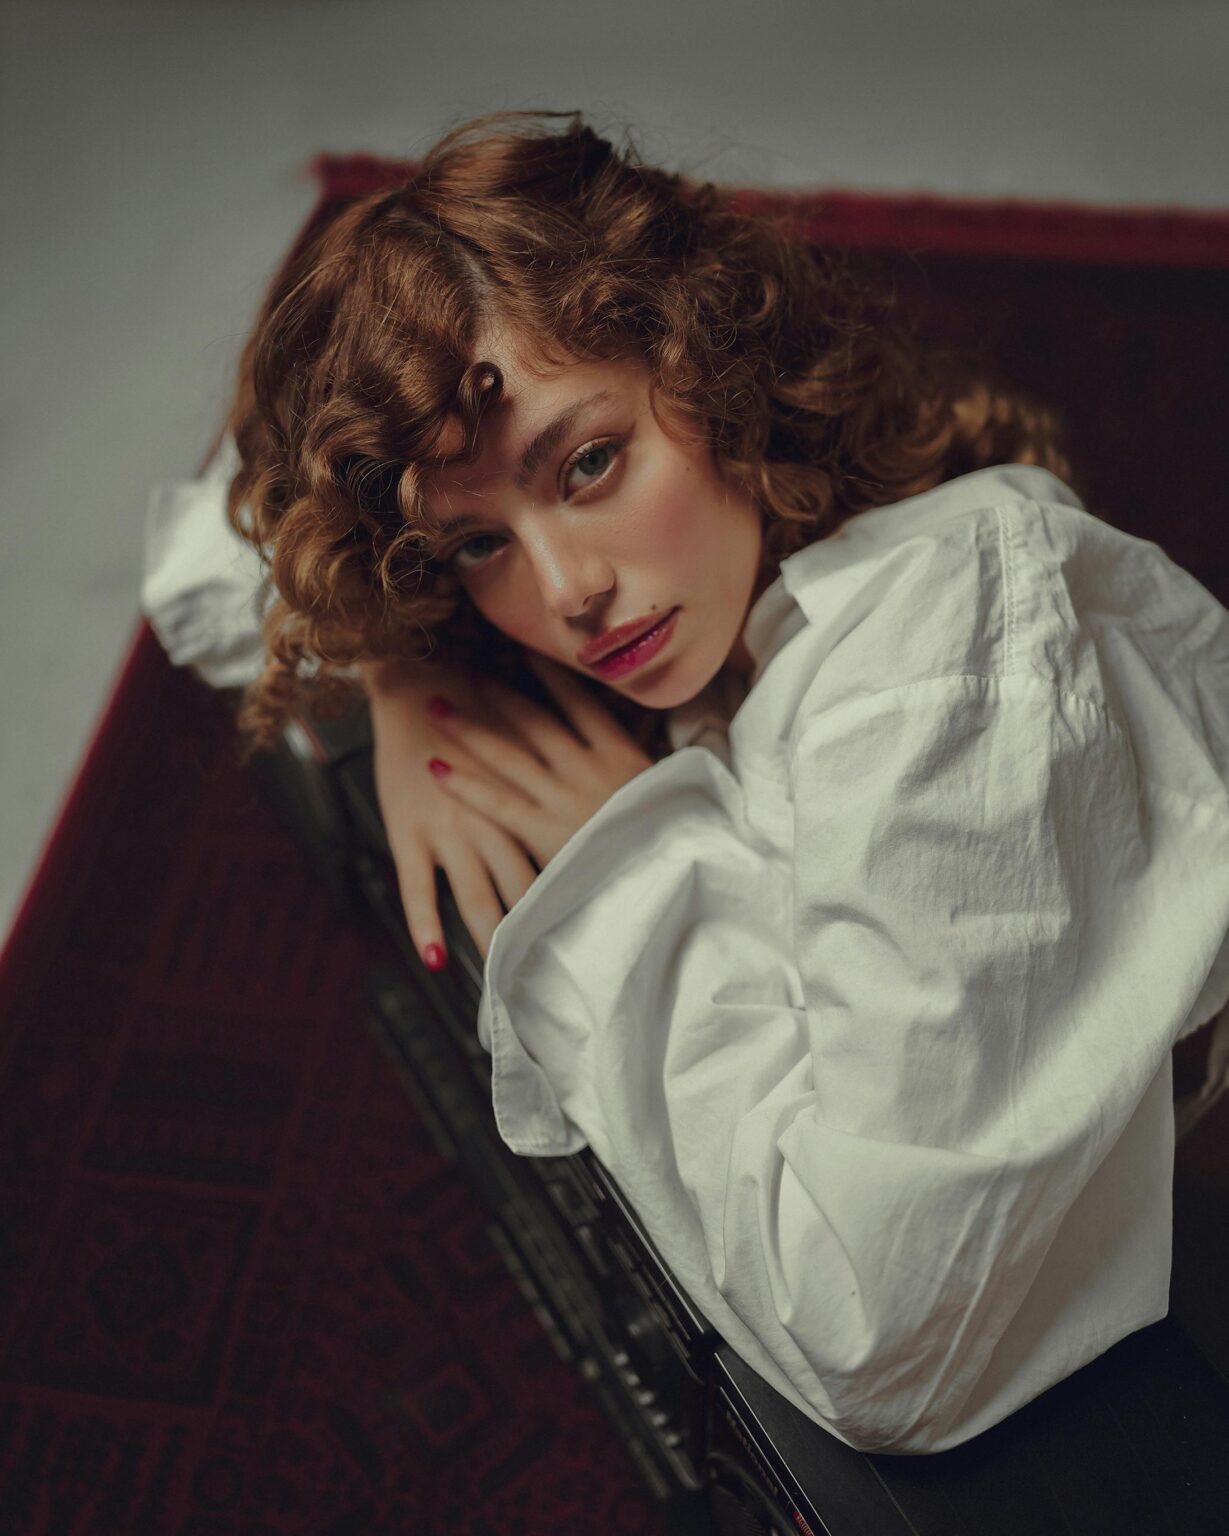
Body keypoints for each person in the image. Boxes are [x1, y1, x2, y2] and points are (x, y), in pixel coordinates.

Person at [141, 109, 1229, 1454]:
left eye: (589, 464)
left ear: (705, 361)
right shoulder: (694, 588)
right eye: (480, 543)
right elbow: (202, 557)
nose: (568, 593)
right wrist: (398, 660)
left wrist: (629, 869)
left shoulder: (930, 658)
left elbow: (881, 1344)